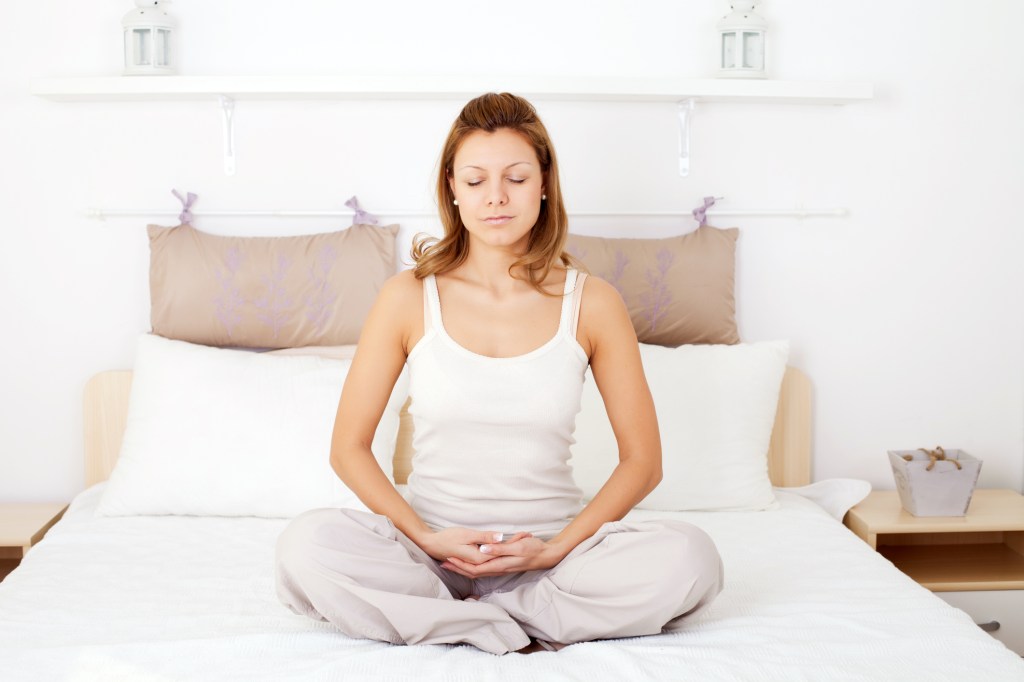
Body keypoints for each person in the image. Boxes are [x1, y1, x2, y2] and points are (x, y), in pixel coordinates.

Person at [275, 92, 723, 655]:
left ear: (543, 182)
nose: (495, 198)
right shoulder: (406, 297)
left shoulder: (593, 303)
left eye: (515, 177)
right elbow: (348, 448)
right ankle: (496, 624)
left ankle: (472, 619)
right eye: (476, 180)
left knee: (691, 557)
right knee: (305, 545)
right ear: (453, 188)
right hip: (429, 554)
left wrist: (554, 549)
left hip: (553, 559)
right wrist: (427, 538)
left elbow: (643, 462)